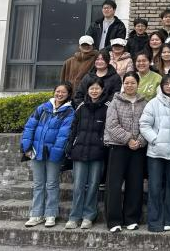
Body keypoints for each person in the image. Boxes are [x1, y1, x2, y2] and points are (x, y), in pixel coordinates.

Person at [22, 82, 75, 228]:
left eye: (63, 92)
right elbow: (30, 126)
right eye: (58, 91)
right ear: (54, 92)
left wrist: (56, 153)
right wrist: (27, 146)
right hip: (36, 151)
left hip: (54, 154)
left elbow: (64, 135)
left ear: (68, 95)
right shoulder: (43, 108)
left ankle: (50, 214)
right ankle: (36, 214)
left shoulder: (69, 112)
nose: (60, 94)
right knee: (38, 184)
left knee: (52, 184)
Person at [139, 74, 170, 232]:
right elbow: (144, 124)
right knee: (154, 187)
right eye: (166, 84)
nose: (169, 86)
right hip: (156, 153)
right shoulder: (153, 103)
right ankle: (154, 221)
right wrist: (155, 140)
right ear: (161, 86)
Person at [104, 72, 147, 232]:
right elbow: (112, 125)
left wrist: (140, 141)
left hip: (138, 148)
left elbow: (148, 124)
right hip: (118, 147)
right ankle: (114, 220)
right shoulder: (115, 102)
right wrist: (128, 139)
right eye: (127, 83)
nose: (129, 85)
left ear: (138, 84)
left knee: (135, 184)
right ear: (123, 84)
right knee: (114, 185)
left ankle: (131, 218)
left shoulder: (144, 103)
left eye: (133, 83)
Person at [65, 78, 110, 229]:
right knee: (78, 185)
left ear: (102, 90)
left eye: (97, 88)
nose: (94, 91)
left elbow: (108, 130)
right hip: (80, 151)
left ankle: (88, 216)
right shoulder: (81, 106)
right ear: (87, 90)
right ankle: (74, 216)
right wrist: (70, 146)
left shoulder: (107, 107)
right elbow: (74, 128)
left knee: (93, 185)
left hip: (98, 153)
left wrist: (103, 144)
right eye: (92, 88)